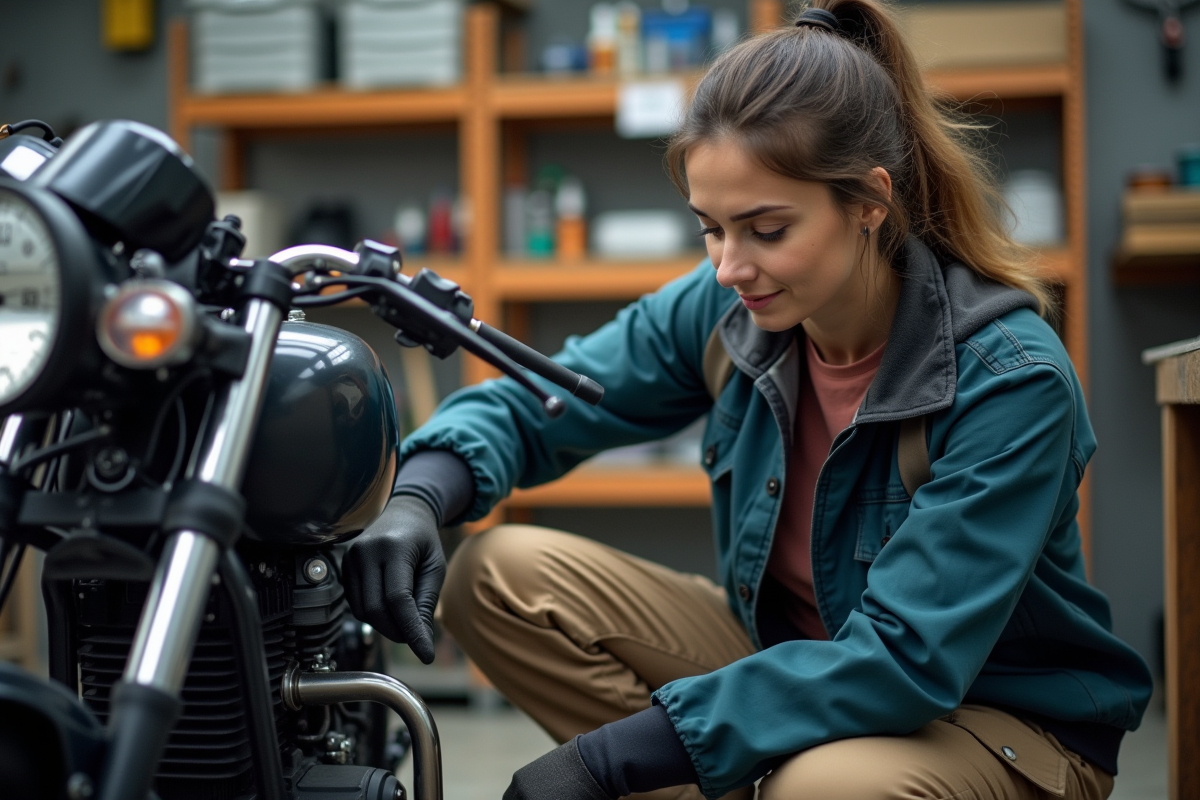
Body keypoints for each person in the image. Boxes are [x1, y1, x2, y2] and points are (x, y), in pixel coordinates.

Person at [342, 1, 1153, 797]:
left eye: (766, 230)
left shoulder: (1008, 378)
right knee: (499, 577)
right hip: (796, 657)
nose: (730, 265)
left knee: (823, 785)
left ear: (870, 202)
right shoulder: (734, 307)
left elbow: (905, 659)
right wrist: (420, 494)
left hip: (995, 718)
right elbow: (544, 399)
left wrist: (603, 764)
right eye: (710, 227)